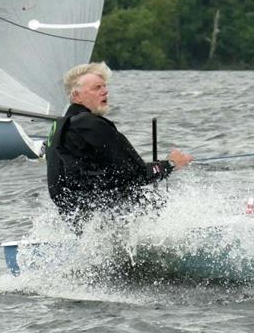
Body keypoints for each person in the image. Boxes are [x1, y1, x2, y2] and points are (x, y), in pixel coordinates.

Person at [46, 62, 193, 221]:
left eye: (104, 87)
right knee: (162, 205)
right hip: (107, 217)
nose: (105, 91)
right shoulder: (91, 125)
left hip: (76, 219)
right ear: (76, 96)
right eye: (97, 88)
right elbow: (136, 173)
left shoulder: (56, 127)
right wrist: (170, 164)